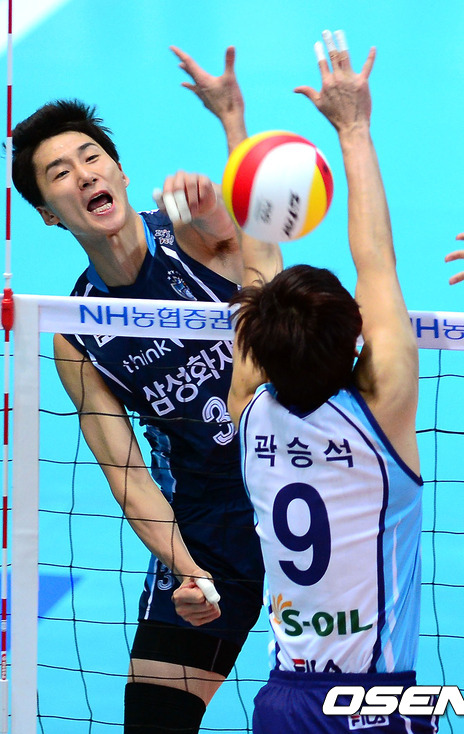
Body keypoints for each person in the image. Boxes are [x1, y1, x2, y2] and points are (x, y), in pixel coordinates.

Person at [11, 46, 274, 734]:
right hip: (207, 524)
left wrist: (231, 128)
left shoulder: (193, 237)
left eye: (91, 157)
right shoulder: (75, 332)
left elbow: (264, 260)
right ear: (47, 213)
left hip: (302, 484)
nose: (83, 174)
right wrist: (189, 573)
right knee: (154, 722)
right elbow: (127, 477)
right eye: (59, 173)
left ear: (120, 172)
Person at [226, 31, 438, 733]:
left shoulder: (247, 410)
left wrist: (237, 134)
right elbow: (376, 259)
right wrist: (353, 127)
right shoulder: (384, 411)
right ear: (356, 337)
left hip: (282, 701)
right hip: (375, 705)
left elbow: (256, 273)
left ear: (254, 348)